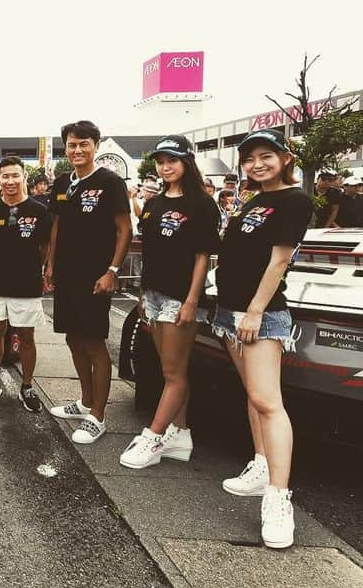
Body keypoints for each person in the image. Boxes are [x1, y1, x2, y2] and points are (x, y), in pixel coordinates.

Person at [213, 129, 312, 550]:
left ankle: (278, 498)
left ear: (285, 157)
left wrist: (255, 310)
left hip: (261, 314)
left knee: (269, 402)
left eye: (265, 156)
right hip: (230, 311)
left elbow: (279, 261)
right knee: (254, 397)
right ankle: (260, 465)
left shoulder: (295, 200)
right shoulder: (255, 200)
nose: (256, 164)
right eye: (250, 158)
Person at [119, 135, 219, 469]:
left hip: (182, 298)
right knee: (170, 371)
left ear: (187, 162)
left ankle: (153, 437)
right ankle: (181, 433)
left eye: (172, 161)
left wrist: (192, 300)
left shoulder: (202, 204)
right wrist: (143, 296)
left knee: (173, 373)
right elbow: (150, 252)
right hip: (153, 296)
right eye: (161, 162)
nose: (166, 167)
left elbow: (203, 256)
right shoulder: (154, 203)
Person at [45, 120, 131, 444]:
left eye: (84, 144)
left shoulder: (110, 182)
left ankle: (98, 415)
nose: (77, 150)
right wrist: (51, 264)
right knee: (72, 339)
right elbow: (57, 225)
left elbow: (125, 229)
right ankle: (84, 401)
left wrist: (112, 270)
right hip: (66, 275)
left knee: (94, 343)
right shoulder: (61, 183)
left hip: (95, 276)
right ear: (65, 148)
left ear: (96, 145)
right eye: (71, 144)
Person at [0, 156, 51, 411]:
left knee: (26, 335)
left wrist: (30, 267)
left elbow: (44, 248)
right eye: (4, 176)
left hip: (27, 284)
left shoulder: (39, 211)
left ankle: (27, 386)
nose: (10, 181)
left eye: (14, 175)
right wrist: (0, 266)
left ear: (24, 177)